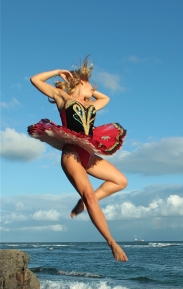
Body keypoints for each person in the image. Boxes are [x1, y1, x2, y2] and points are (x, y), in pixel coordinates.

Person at [28, 57, 128, 262]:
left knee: (120, 181)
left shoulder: (90, 103)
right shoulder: (62, 97)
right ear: (81, 82)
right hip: (71, 153)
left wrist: (88, 89)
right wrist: (59, 72)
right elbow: (35, 80)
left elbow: (106, 99)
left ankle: (83, 203)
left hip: (87, 152)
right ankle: (112, 242)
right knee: (91, 196)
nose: (94, 90)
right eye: (91, 85)